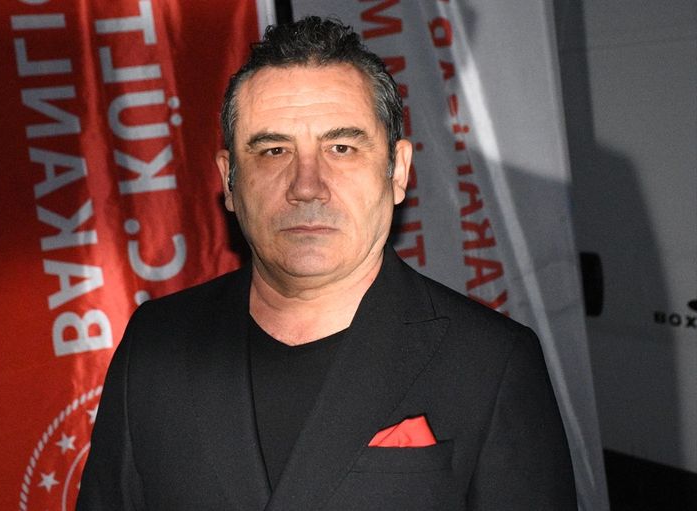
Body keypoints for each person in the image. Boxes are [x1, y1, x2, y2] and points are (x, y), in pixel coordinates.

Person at [77, 16, 576, 510]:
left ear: (398, 171)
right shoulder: (156, 343)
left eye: (341, 147)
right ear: (229, 180)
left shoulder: (490, 363)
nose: (306, 186)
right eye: (274, 150)